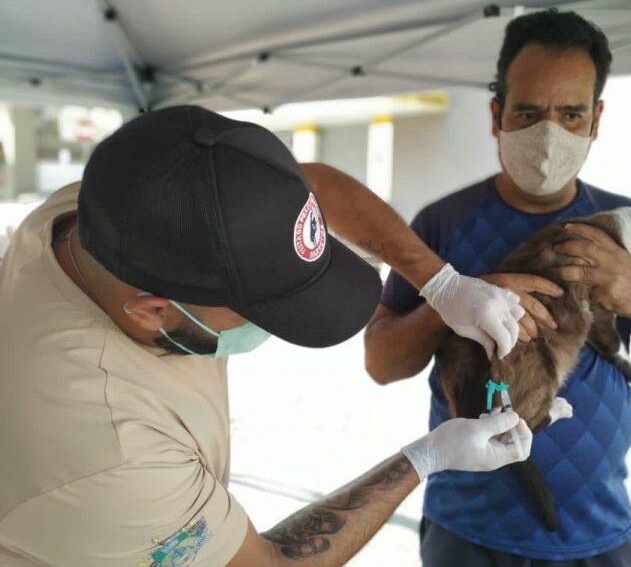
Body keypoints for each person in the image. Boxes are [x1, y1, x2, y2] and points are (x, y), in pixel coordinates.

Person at [0, 105, 534, 566]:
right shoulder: (108, 447)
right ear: (153, 311)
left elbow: (312, 188)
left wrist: (440, 282)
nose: (272, 328)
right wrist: (424, 459)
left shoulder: (109, 208)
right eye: (265, 310)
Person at [364, 9, 631, 567]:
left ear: (596, 119)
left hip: (601, 529)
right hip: (468, 533)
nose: (549, 134)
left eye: (571, 114)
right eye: (528, 111)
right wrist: (450, 298)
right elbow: (380, 363)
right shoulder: (442, 224)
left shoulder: (630, 228)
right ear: (496, 114)